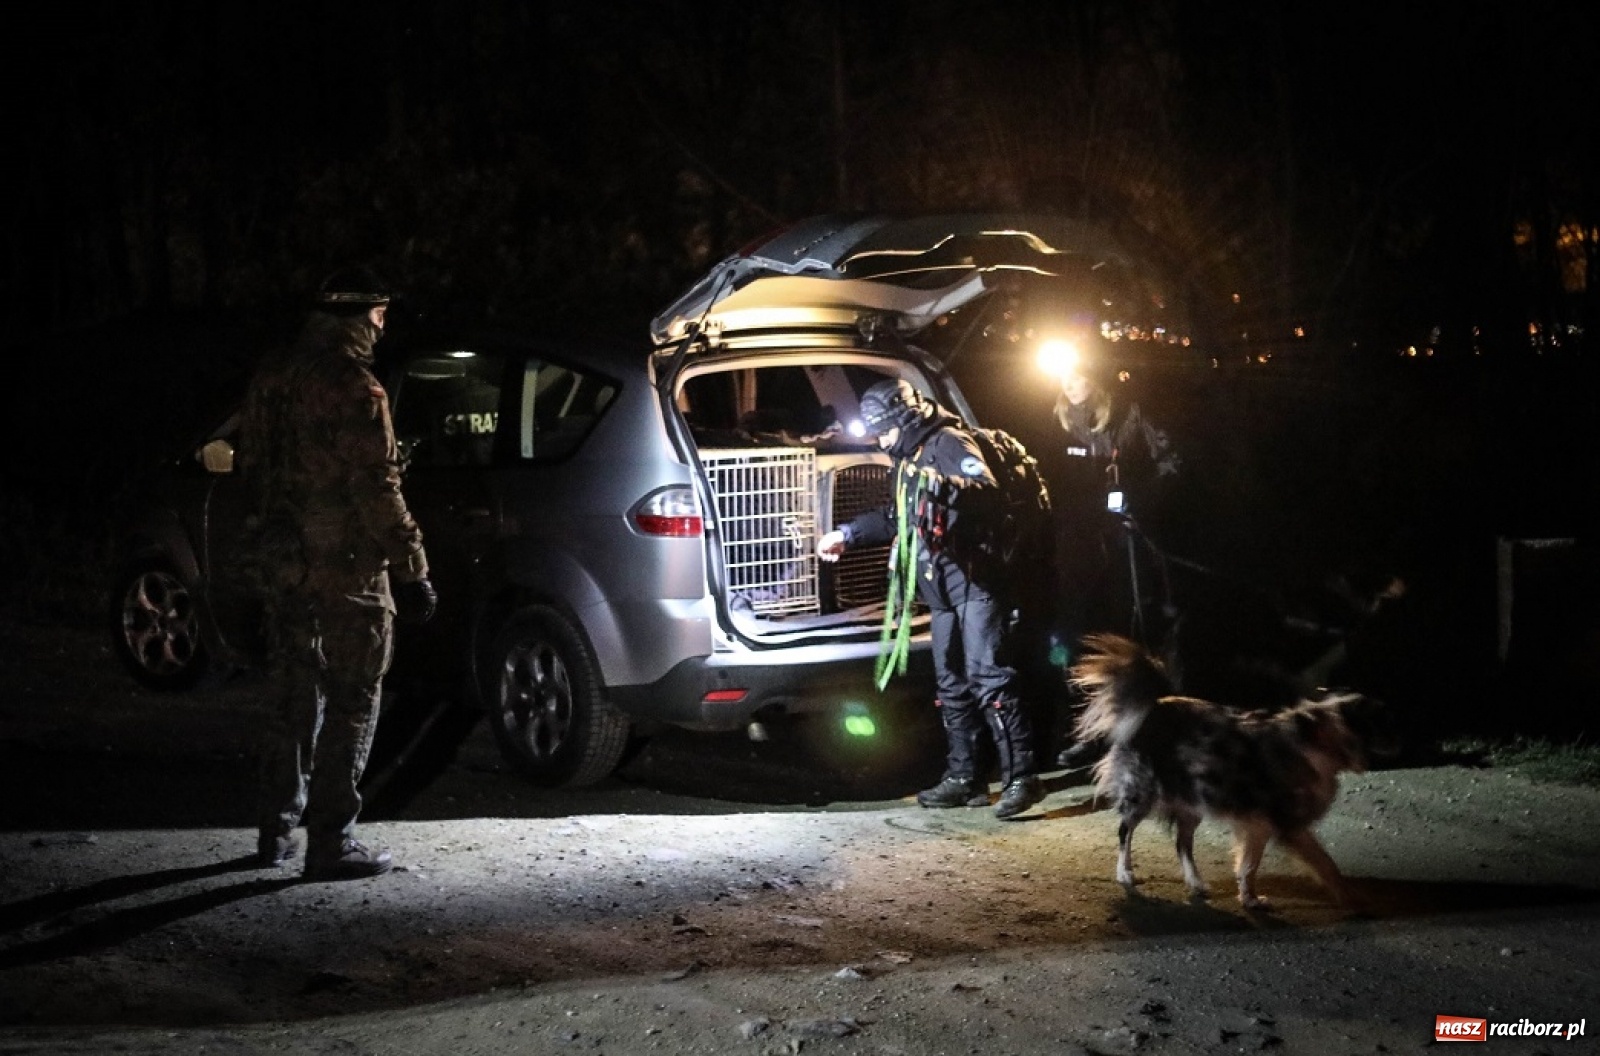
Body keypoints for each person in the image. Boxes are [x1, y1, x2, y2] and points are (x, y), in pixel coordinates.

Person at [238, 265, 437, 881]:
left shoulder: (274, 375)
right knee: (354, 695)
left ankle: (277, 830)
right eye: (378, 314)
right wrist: (413, 567)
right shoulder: (354, 387)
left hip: (284, 558)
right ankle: (333, 840)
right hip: (347, 565)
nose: (382, 326)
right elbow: (378, 485)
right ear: (359, 315)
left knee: (294, 690)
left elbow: (251, 467)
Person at [817, 379, 1042, 819]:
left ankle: (1022, 779)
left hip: (976, 583)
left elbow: (987, 489)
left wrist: (939, 482)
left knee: (989, 678)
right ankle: (964, 779)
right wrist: (847, 535)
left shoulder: (948, 443)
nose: (879, 441)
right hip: (939, 591)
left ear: (902, 420)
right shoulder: (906, 459)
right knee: (951, 684)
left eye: (882, 431)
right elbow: (896, 515)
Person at [1048, 359, 1180, 768]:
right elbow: (1051, 474)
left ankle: (1157, 725)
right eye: (1064, 377)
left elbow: (1170, 460)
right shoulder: (1060, 423)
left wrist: (1139, 499)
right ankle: (1090, 734)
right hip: (1083, 543)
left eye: (1079, 375)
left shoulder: (1130, 414)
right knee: (1083, 634)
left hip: (1130, 541)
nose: (1071, 384)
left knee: (1137, 626)